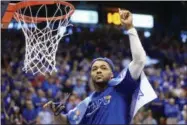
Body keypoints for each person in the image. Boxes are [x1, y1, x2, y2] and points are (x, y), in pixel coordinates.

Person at [43, 9, 157, 124]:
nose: (98, 71)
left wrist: (130, 28)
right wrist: (56, 113)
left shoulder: (120, 86)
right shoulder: (87, 103)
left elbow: (139, 60)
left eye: (103, 68)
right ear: (91, 75)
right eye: (94, 69)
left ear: (112, 74)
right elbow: (66, 122)